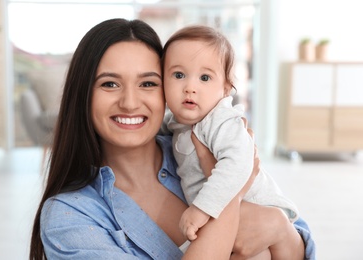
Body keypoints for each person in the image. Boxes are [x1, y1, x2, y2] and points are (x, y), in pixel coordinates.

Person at [29, 18, 315, 259]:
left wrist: (278, 226)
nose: (130, 102)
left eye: (148, 83)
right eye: (110, 84)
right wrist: (231, 202)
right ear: (83, 94)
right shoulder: (69, 217)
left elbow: (297, 242)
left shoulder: (196, 145)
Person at [162, 25, 304, 259]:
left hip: (257, 208)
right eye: (178, 75)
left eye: (205, 78)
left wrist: (201, 209)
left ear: (226, 88)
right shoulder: (177, 121)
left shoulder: (221, 120)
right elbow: (164, 125)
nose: (190, 87)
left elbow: (239, 164)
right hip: (229, 215)